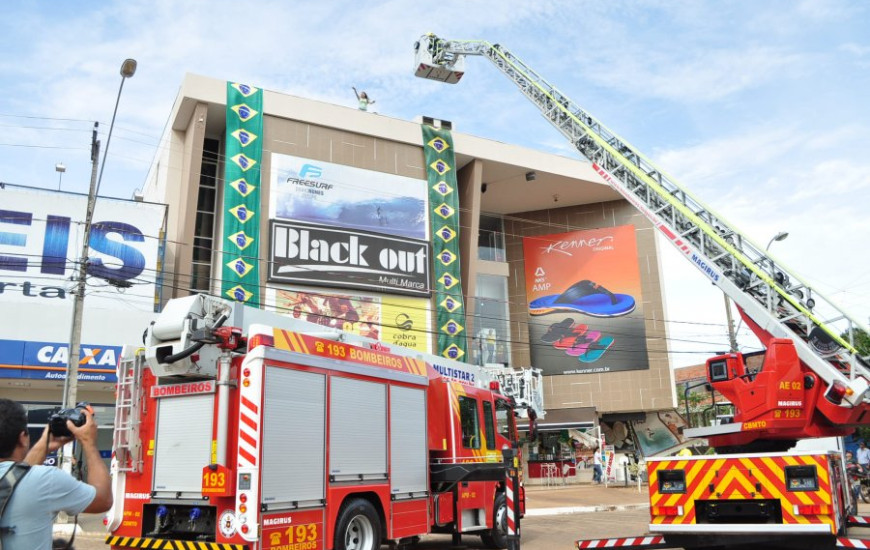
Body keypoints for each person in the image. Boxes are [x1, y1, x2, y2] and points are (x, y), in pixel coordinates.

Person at [0, 399, 112, 550]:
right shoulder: (46, 480)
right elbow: (103, 500)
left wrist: (44, 446)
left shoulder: (29, 480)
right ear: (22, 438)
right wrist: (88, 442)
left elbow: (16, 479)